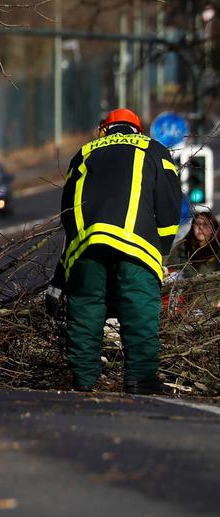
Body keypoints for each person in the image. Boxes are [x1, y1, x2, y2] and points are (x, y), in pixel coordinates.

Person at [58, 108, 181, 394]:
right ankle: (140, 378)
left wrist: (69, 260)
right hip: (135, 241)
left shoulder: (84, 152)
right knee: (139, 306)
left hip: (87, 243)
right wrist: (160, 250)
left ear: (104, 129)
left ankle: (84, 380)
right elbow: (168, 205)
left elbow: (67, 208)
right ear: (137, 129)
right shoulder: (154, 149)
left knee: (86, 305)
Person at [165, 209, 220, 309]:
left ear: (213, 228)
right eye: (197, 224)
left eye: (206, 224)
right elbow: (169, 274)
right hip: (187, 308)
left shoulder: (218, 251)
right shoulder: (182, 248)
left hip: (212, 308)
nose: (200, 228)